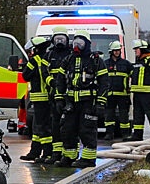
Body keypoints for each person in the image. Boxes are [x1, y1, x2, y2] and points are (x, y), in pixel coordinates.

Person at [55, 31, 104, 168]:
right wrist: (59, 99)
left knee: (86, 130)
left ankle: (88, 159)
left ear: (87, 44)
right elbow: (60, 80)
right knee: (67, 130)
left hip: (88, 103)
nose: (77, 46)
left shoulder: (95, 61)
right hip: (71, 103)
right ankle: (69, 156)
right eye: (75, 43)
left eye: (80, 43)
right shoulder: (68, 60)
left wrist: (101, 103)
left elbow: (104, 83)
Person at [19, 35, 52, 161]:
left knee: (42, 127)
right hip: (49, 98)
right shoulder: (48, 58)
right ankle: (35, 152)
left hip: (39, 98)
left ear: (36, 49)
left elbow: (25, 76)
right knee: (39, 127)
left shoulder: (34, 61)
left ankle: (47, 153)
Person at [41, 31, 72, 164]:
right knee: (55, 125)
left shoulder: (71, 54)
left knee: (69, 125)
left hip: (69, 94)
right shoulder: (49, 55)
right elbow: (44, 72)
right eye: (57, 39)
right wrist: (51, 82)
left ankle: (68, 153)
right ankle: (56, 153)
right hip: (54, 94)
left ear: (67, 40)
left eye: (62, 39)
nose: (60, 42)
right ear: (53, 40)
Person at [129, 39, 150, 140]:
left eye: (137, 49)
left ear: (143, 50)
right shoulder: (138, 62)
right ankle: (137, 135)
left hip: (148, 94)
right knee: (138, 116)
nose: (135, 51)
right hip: (137, 93)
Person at [101, 41, 133, 140]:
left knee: (124, 116)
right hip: (109, 94)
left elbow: (134, 76)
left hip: (123, 95)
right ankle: (109, 133)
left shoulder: (126, 64)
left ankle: (125, 134)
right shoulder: (105, 64)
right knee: (109, 116)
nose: (117, 52)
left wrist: (131, 87)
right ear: (111, 51)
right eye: (115, 50)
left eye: (118, 50)